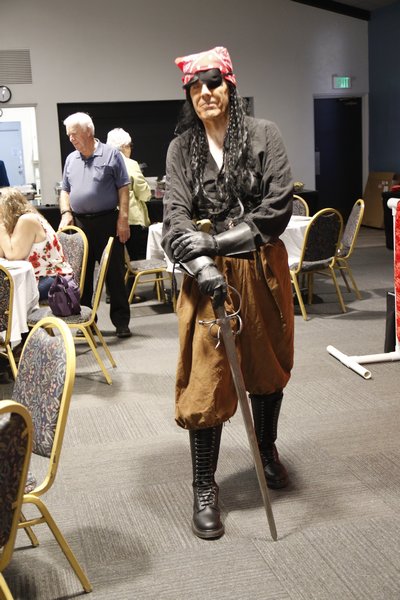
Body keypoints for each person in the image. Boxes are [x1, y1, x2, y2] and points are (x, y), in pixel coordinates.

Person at [161, 46, 294, 540]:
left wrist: (217, 242)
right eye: (195, 87)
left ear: (230, 85)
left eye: (213, 82)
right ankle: (203, 485)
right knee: (207, 380)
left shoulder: (264, 134)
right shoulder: (181, 149)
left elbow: (277, 206)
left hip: (261, 267)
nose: (205, 93)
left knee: (267, 366)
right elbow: (175, 217)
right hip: (207, 278)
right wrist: (202, 263)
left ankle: (266, 448)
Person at [59, 112, 132, 338]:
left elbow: (124, 188)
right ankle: (87, 322)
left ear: (88, 132)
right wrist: (65, 212)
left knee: (114, 273)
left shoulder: (111, 155)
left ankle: (121, 322)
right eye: (68, 135)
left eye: (74, 134)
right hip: (80, 224)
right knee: (82, 275)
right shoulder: (71, 159)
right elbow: (65, 190)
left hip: (108, 220)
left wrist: (123, 219)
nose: (71, 138)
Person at [0, 187, 72, 299]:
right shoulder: (18, 223)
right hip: (39, 277)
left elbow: (13, 256)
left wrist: (1, 227)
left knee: (5, 296)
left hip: (53, 281)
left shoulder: (27, 220)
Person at [106, 128, 151, 260]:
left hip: (110, 218)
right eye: (130, 146)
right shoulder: (130, 164)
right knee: (137, 259)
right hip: (132, 219)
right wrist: (148, 192)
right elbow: (143, 193)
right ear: (124, 146)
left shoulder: (105, 163)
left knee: (117, 260)